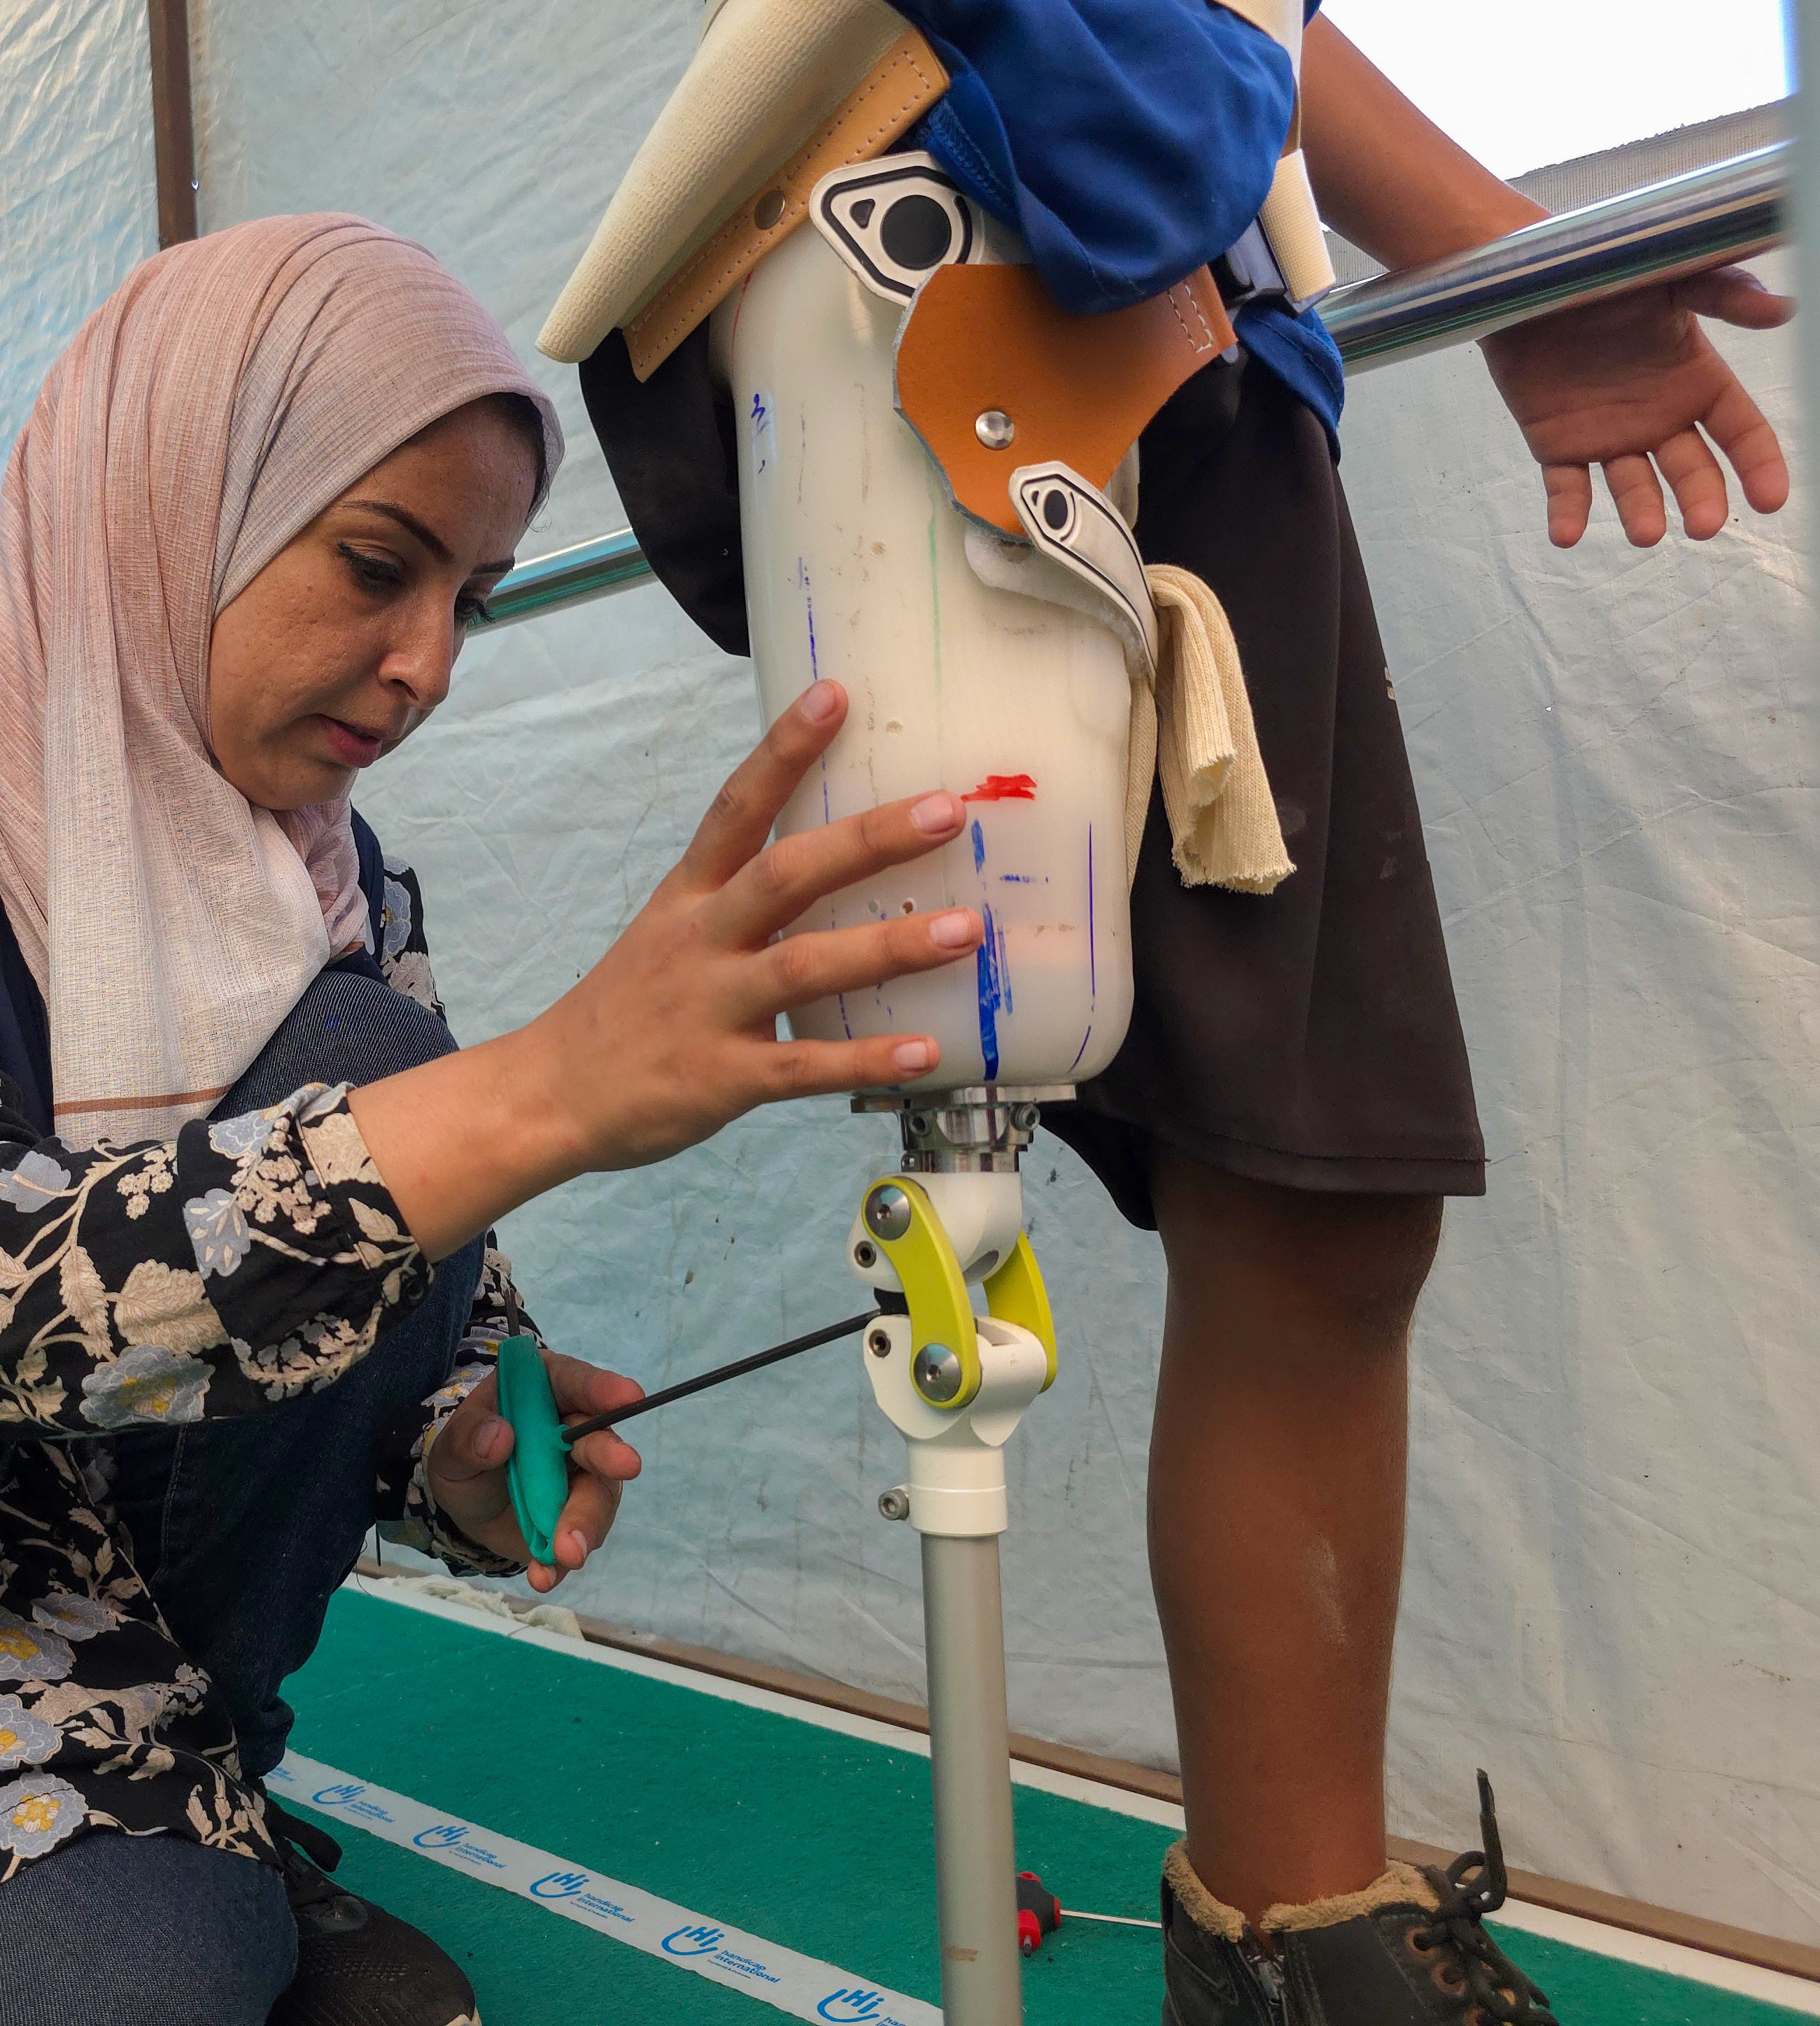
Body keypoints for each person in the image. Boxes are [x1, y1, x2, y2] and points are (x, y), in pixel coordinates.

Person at [0, 215, 989, 2026]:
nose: (431, 661)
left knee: (374, 1073)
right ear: (171, 497)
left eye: (475, 594)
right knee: (122, 1984)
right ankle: (147, 1852)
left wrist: (455, 1453)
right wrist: (546, 1092)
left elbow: (405, 1272)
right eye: (379, 565)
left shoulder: (336, 883)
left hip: (53, 1587)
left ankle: (179, 1805)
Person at [554, 3, 1792, 2020]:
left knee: (1313, 1187)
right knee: (1247, 1171)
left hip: (1075, 262)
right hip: (1009, 267)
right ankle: (1295, 1949)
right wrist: (1488, 259)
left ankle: (1296, 1937)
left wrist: (1497, 271)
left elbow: (1258, 18)